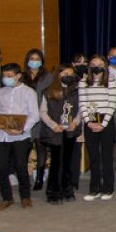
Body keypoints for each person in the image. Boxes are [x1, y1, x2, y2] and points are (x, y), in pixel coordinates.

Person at [0, 62, 40, 210]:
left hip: (21, 137)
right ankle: (7, 198)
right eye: (4, 76)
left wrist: (22, 129)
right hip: (1, 136)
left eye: (9, 76)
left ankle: (25, 197)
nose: (6, 78)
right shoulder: (0, 93)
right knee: (1, 168)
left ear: (18, 76)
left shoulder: (28, 92)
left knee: (21, 167)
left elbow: (34, 115)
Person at [39, 66, 80, 204]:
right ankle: (53, 191)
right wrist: (53, 125)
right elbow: (43, 112)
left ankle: (67, 190)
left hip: (70, 131)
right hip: (54, 132)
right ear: (58, 74)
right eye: (65, 73)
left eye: (70, 73)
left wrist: (75, 122)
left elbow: (81, 110)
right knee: (56, 162)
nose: (68, 75)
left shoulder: (76, 92)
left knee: (67, 161)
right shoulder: (48, 92)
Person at [78, 55, 116, 201]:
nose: (97, 66)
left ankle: (108, 188)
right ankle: (94, 188)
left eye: (100, 64)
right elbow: (82, 103)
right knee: (93, 157)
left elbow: (112, 104)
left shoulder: (111, 81)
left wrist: (103, 124)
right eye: (93, 64)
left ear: (105, 66)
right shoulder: (83, 82)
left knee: (107, 156)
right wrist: (88, 122)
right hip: (91, 120)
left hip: (106, 120)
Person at [22, 49, 53, 192]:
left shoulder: (48, 77)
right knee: (24, 149)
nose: (34, 61)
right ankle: (24, 178)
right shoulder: (21, 76)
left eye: (37, 58)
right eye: (32, 58)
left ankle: (39, 178)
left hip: (41, 117)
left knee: (41, 148)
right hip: (24, 116)